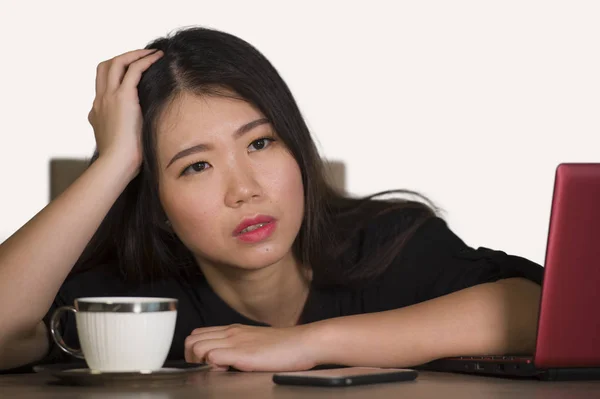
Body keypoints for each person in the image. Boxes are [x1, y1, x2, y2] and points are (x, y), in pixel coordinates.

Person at [0, 26, 543, 373]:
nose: (245, 190)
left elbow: (538, 310)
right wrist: (115, 162)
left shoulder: (386, 240)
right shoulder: (132, 300)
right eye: (196, 166)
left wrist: (307, 343)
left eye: (260, 143)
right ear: (156, 202)